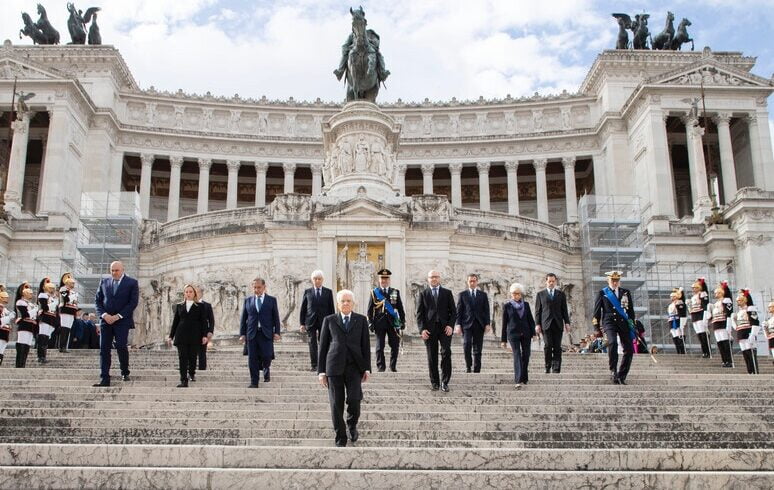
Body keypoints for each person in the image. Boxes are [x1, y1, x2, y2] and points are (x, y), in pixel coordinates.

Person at [318, 289, 371, 447]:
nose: (346, 303)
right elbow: (323, 347)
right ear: (338, 303)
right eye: (343, 301)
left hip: (355, 367)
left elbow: (366, 346)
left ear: (353, 303)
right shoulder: (329, 320)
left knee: (355, 399)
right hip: (334, 367)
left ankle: (352, 424)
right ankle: (340, 435)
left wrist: (367, 368)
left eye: (349, 301)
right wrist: (321, 372)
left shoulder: (361, 320)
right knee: (336, 403)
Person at [93, 261, 140, 387]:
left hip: (122, 320)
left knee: (121, 346)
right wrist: (104, 315)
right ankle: (104, 378)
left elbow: (133, 302)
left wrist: (118, 316)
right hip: (106, 320)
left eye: (116, 270)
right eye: (112, 270)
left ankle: (125, 371)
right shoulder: (104, 282)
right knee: (104, 348)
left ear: (122, 270)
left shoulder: (132, 283)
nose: (114, 273)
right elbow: (98, 301)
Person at [415, 270, 456, 392]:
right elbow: (419, 314)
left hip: (445, 329)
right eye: (431, 277)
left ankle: (445, 382)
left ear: (439, 278)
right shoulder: (423, 294)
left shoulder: (447, 293)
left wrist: (450, 325)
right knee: (431, 356)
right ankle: (435, 383)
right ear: (428, 279)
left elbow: (453, 312)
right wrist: (422, 329)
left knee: (446, 352)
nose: (434, 279)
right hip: (429, 329)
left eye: (436, 277)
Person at [592, 271, 635, 385]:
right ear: (608, 280)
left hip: (623, 323)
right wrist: (596, 327)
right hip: (609, 322)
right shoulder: (602, 293)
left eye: (617, 281)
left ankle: (622, 375)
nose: (615, 283)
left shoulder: (626, 292)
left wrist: (632, 325)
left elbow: (630, 310)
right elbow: (597, 312)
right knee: (612, 342)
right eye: (613, 280)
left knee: (629, 349)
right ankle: (613, 370)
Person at [239, 277, 281, 387]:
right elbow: (244, 318)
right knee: (252, 359)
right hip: (252, 334)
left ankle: (265, 367)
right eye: (254, 287)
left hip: (266, 333)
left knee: (267, 356)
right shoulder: (248, 300)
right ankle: (254, 382)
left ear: (264, 287)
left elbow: (276, 317)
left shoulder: (271, 300)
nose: (256, 290)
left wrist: (277, 332)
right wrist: (242, 334)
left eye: (259, 287)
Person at [168, 285, 208, 388]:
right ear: (184, 294)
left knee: (193, 357)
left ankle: (192, 373)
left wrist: (204, 335)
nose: (188, 294)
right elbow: (175, 321)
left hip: (195, 335)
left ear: (194, 293)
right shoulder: (179, 306)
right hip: (181, 335)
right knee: (182, 358)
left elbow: (204, 321)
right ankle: (183, 380)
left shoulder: (200, 306)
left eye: (190, 292)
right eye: (186, 292)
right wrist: (171, 336)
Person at [367, 268, 406, 372]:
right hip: (379, 323)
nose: (384, 280)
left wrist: (403, 321)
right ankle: (381, 367)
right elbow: (370, 310)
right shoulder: (374, 292)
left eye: (386, 278)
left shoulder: (395, 292)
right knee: (380, 346)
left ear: (389, 280)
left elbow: (400, 308)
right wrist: (370, 322)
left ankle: (392, 367)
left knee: (395, 345)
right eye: (382, 278)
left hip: (393, 322)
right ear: (379, 280)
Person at [500, 282, 535, 388]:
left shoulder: (526, 305)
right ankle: (518, 379)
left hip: (526, 333)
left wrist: (534, 333)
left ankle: (524, 376)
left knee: (526, 355)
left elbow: (530, 320)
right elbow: (504, 323)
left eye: (518, 293)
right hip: (513, 334)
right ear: (511, 294)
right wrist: (503, 340)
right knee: (517, 354)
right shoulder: (507, 306)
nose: (516, 295)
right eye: (514, 293)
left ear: (521, 294)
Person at [534, 273, 571, 373]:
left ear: (555, 282)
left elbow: (564, 310)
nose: (551, 283)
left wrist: (567, 323)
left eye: (553, 281)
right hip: (546, 324)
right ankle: (547, 366)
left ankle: (556, 368)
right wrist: (537, 324)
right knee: (548, 345)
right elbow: (538, 311)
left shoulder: (561, 294)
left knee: (557, 347)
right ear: (546, 281)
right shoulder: (540, 294)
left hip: (558, 324)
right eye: (549, 281)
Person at [299, 270, 335, 372]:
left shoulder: (328, 292)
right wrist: (302, 323)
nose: (317, 281)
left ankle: (323, 365)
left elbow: (331, 309)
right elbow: (303, 309)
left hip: (324, 321)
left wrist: (332, 323)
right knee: (312, 343)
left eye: (319, 279)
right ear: (312, 280)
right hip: (310, 322)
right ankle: (314, 365)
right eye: (315, 279)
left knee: (323, 343)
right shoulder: (307, 292)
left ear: (322, 280)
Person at [455, 273, 491, 373]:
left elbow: (486, 310)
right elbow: (459, 311)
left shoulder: (483, 295)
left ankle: (477, 369)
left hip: (479, 324)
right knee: (467, 344)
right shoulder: (462, 295)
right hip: (466, 324)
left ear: (477, 282)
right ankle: (468, 366)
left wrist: (487, 323)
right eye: (470, 281)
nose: (472, 283)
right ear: (467, 282)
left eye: (474, 281)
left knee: (478, 348)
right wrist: (458, 324)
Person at [733, 289, 760, 374]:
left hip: (748, 333)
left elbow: (755, 322)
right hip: (741, 334)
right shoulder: (739, 312)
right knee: (745, 354)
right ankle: (750, 371)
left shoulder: (750, 309)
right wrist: (733, 321)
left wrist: (753, 334)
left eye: (740, 301)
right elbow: (736, 327)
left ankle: (755, 371)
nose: (738, 303)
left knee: (751, 353)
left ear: (745, 300)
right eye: (737, 301)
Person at [709, 281, 734, 367]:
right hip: (716, 324)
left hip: (723, 323)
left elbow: (729, 313)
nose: (715, 294)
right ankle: (724, 360)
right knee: (720, 343)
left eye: (717, 293)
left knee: (725, 342)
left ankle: (729, 360)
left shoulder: (726, 300)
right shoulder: (715, 303)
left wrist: (728, 325)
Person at [14, 282, 38, 368]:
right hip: (24, 325)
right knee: (22, 345)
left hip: (30, 326)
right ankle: (19, 365)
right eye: (29, 293)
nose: (31, 294)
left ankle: (22, 364)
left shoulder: (31, 304)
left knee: (27, 346)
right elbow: (25, 315)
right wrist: (35, 310)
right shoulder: (20, 302)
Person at [688, 278, 711, 358]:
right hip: (694, 315)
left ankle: (707, 351)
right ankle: (704, 351)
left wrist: (705, 316)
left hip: (701, 314)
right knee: (699, 334)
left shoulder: (702, 293)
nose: (693, 289)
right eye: (693, 288)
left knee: (703, 333)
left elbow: (705, 305)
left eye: (695, 288)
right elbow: (691, 309)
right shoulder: (693, 297)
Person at [36, 280, 58, 363]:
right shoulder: (43, 295)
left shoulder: (52, 297)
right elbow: (45, 307)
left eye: (53, 288)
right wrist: (54, 303)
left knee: (46, 338)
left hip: (51, 318)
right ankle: (40, 356)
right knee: (43, 337)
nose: (52, 289)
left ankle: (43, 356)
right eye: (51, 288)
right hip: (45, 317)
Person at [194, 286, 215, 371]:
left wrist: (210, 331)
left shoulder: (207, 305)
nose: (196, 294)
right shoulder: (189, 304)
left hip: (203, 332)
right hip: (192, 332)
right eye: (195, 292)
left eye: (198, 292)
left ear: (202, 293)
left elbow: (211, 320)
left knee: (202, 352)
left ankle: (202, 370)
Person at [58, 274, 79, 353]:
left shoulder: (73, 292)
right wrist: (73, 297)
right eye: (71, 283)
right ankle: (62, 346)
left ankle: (65, 346)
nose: (73, 285)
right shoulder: (63, 289)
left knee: (68, 328)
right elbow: (66, 298)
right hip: (65, 309)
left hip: (71, 310)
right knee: (64, 328)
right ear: (67, 283)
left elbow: (75, 302)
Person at [667, 287, 687, 354]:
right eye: (671, 296)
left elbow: (682, 312)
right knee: (674, 336)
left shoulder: (679, 302)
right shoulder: (670, 305)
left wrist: (683, 321)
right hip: (672, 321)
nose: (671, 298)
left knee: (680, 335)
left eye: (673, 296)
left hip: (678, 320)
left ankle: (682, 351)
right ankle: (678, 350)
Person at [0, 287, 14, 366]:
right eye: (4, 297)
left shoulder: (5, 309)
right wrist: (8, 318)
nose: (6, 299)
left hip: (5, 334)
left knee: (1, 352)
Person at [765, 301, 774, 366]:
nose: (769, 308)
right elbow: (767, 334)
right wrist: (765, 328)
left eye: (770, 307)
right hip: (771, 338)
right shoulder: (769, 320)